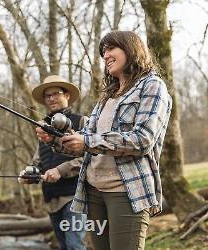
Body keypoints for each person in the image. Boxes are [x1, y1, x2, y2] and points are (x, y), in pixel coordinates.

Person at [36, 31, 172, 250]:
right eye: (103, 51)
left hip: (127, 191)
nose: (105, 55)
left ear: (131, 49)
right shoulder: (107, 97)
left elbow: (142, 140)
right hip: (93, 191)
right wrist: (54, 140)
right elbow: (85, 146)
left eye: (111, 49)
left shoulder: (152, 86)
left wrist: (88, 142)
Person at [19, 75, 87, 250]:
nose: (51, 99)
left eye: (55, 93)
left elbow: (91, 158)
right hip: (51, 198)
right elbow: (38, 160)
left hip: (75, 196)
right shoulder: (43, 128)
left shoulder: (82, 121)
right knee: (64, 246)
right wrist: (29, 174)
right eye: (47, 96)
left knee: (74, 246)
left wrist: (60, 170)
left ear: (67, 95)